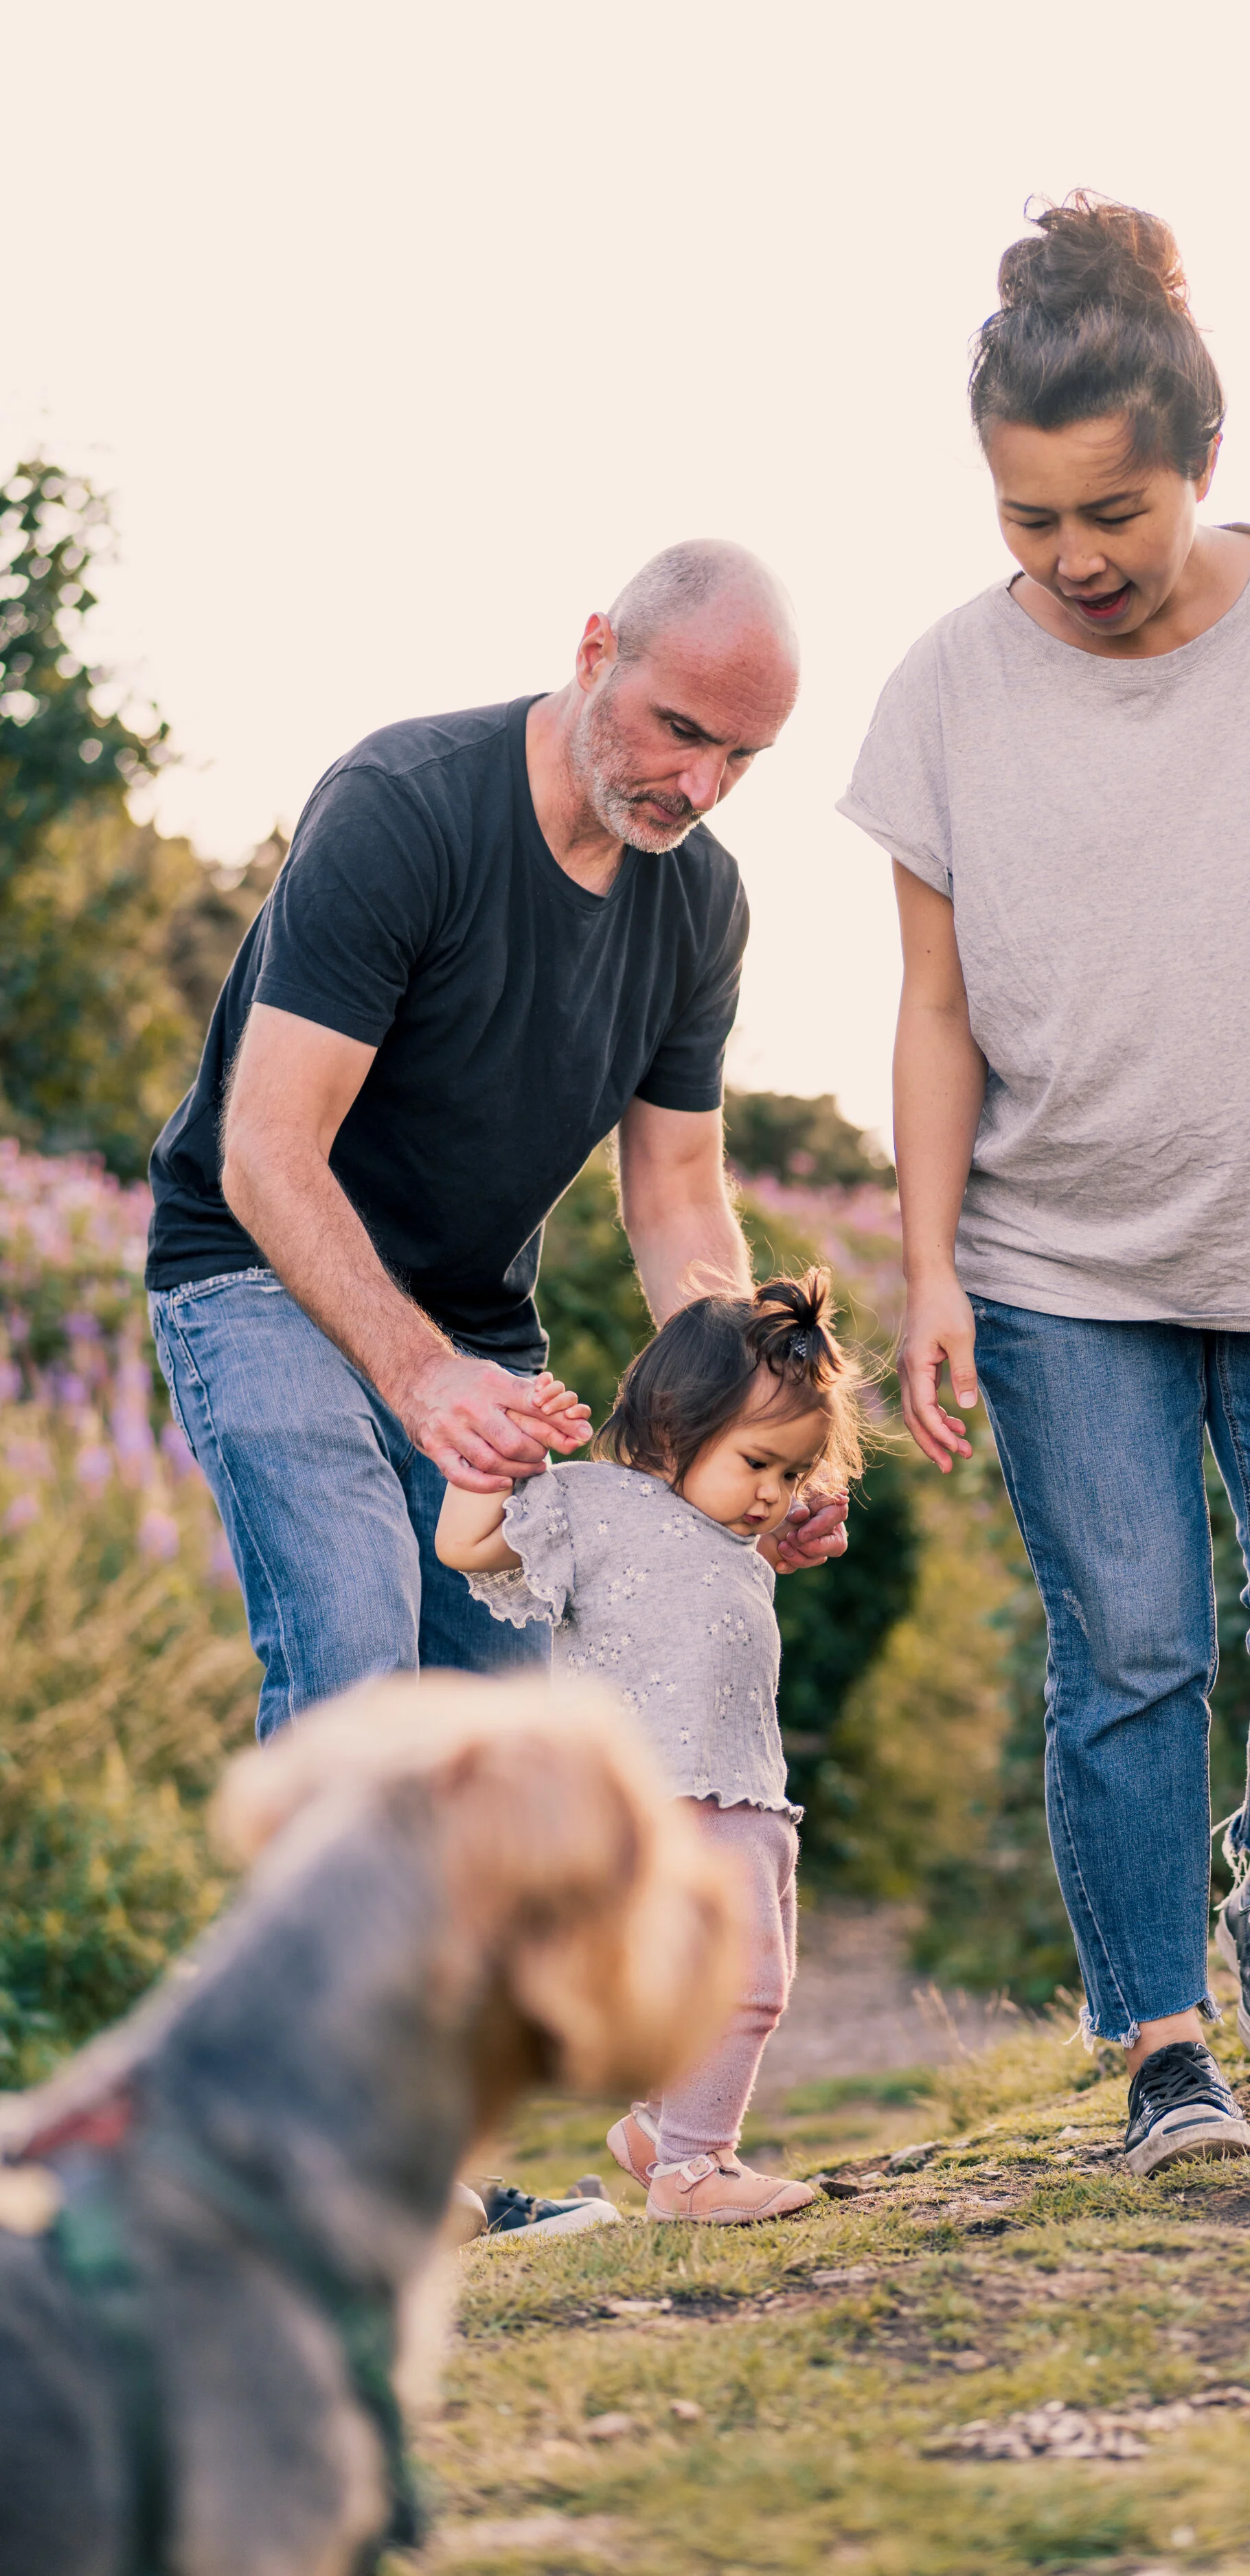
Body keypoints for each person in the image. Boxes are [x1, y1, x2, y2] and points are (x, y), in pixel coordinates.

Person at [839, 195, 1250, 2178]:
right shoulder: (945, 690)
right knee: (1127, 1644)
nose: (1072, 560)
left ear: (1198, 458)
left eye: (1108, 512)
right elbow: (935, 1009)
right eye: (1027, 521)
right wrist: (932, 1267)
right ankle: (1158, 2049)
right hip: (1061, 1265)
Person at [146, 541, 848, 1742]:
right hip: (259, 1273)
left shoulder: (702, 903)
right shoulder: (404, 805)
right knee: (359, 1670)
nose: (701, 785)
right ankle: (320, 1936)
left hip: (476, 1324)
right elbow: (263, 1147)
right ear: (592, 654)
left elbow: (677, 1191)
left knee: (516, 1746)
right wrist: (420, 1379)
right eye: (680, 729)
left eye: (742, 756)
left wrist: (754, 1421)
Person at [438, 1269, 866, 2224]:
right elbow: (466, 1548)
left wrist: (779, 1521)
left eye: (792, 1474)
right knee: (743, 1982)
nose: (774, 1493)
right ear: (674, 1426)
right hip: (665, 1799)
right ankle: (692, 2170)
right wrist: (504, 1452)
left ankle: (655, 2131)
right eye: (759, 1463)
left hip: (749, 1796)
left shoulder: (730, 1538)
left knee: (757, 1977)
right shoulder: (594, 1505)